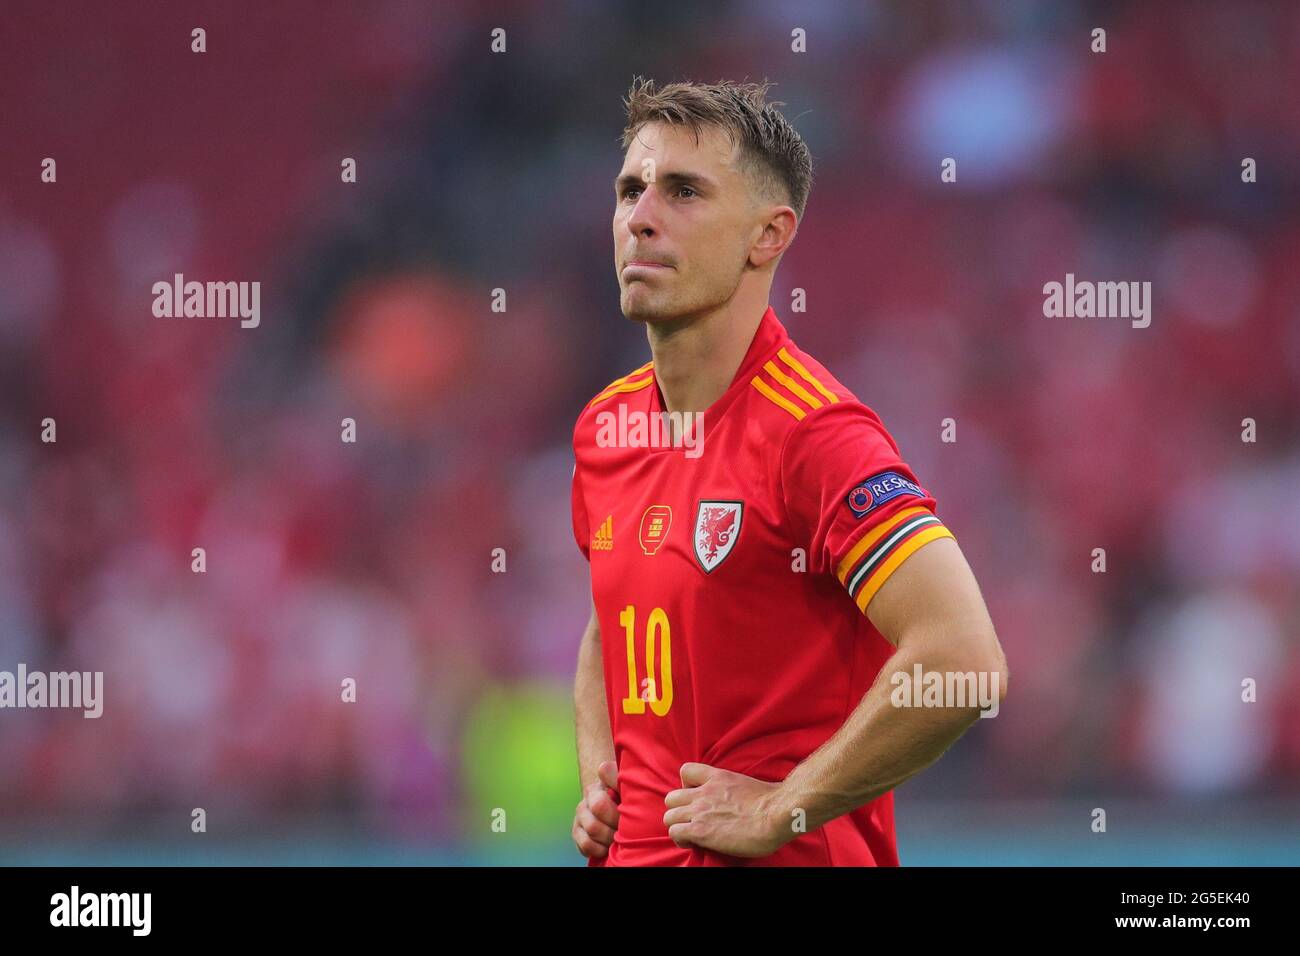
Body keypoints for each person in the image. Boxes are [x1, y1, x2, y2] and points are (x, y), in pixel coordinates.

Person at [570, 77, 1007, 866]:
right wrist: (604, 774)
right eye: (631, 189)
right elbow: (614, 617)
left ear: (768, 236)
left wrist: (786, 806)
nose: (641, 217)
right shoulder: (606, 426)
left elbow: (963, 661)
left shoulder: (815, 434)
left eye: (683, 192)